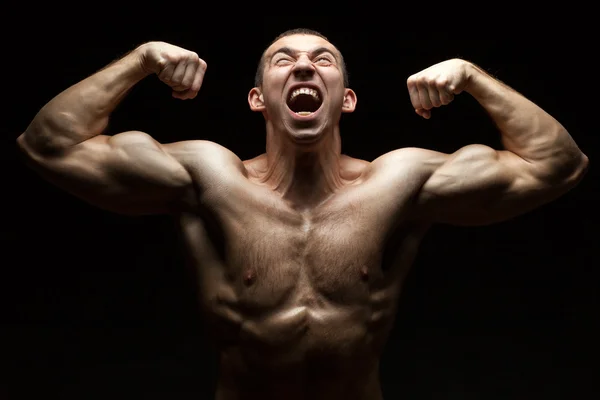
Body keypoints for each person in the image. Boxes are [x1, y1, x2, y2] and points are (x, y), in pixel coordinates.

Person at [17, 28, 588, 399]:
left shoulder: (399, 181)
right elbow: (49, 144)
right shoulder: (209, 176)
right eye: (282, 60)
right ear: (258, 97)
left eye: (324, 60)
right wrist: (140, 60)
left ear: (347, 98)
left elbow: (558, 164)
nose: (303, 68)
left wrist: (472, 74)